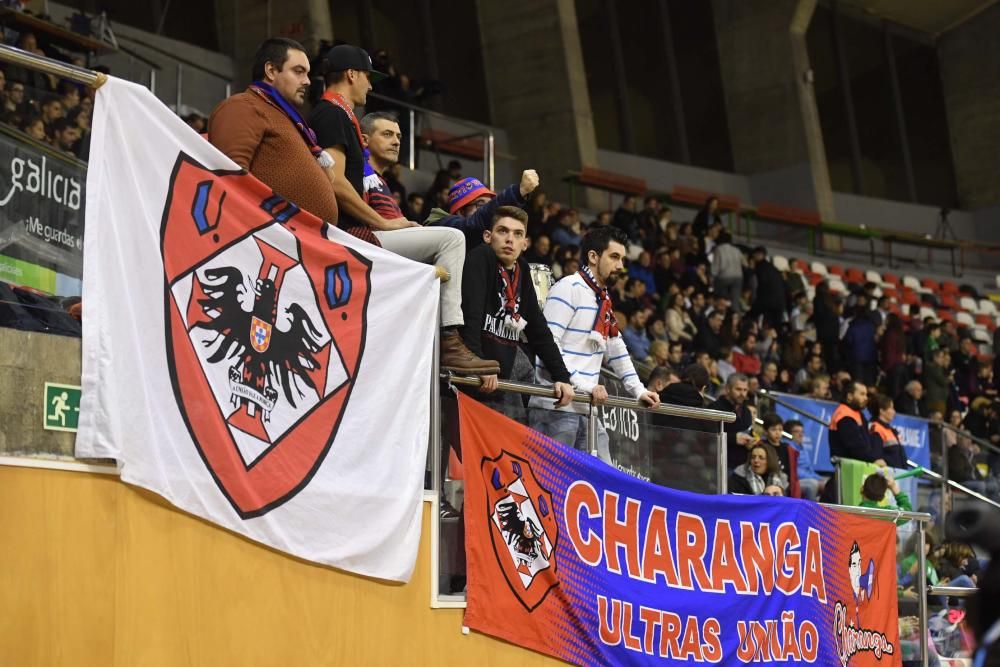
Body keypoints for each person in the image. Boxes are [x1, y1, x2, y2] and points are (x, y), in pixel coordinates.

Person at [211, 39, 496, 376]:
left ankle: (440, 346)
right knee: (450, 241)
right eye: (299, 71)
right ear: (271, 71)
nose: (307, 80)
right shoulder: (299, 111)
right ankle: (449, 342)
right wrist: (384, 223)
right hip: (315, 239)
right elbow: (227, 179)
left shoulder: (295, 119)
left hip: (314, 238)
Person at [530, 226, 660, 463]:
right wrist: (585, 386)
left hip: (587, 409)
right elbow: (548, 345)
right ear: (593, 256)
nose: (620, 266)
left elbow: (617, 350)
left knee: (601, 487)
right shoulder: (568, 288)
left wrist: (638, 390)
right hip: (555, 407)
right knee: (549, 489)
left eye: (622, 259)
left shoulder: (602, 299)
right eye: (614, 257)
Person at [459, 206, 574, 407]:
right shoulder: (481, 257)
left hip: (498, 384)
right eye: (502, 231)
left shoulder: (522, 269)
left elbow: (539, 330)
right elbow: (470, 318)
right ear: (488, 236)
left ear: (525, 243)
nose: (510, 239)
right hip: (471, 382)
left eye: (517, 234)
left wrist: (562, 377)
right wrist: (479, 365)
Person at [425, 173, 540, 249]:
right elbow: (473, 224)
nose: (488, 210)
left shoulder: (491, 239)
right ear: (460, 212)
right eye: (481, 204)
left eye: (489, 203)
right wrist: (518, 191)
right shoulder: (444, 226)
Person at [828, 381, 886, 467]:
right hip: (846, 466)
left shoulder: (857, 414)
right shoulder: (844, 415)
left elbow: (866, 444)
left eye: (866, 395)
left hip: (857, 465)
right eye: (862, 394)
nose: (866, 398)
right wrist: (873, 460)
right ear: (850, 396)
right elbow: (855, 446)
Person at [709, 373, 753, 470]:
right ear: (727, 389)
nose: (742, 394)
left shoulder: (747, 412)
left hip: (742, 467)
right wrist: (734, 438)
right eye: (738, 389)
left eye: (745, 390)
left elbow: (750, 432)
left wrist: (751, 442)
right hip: (719, 464)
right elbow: (707, 436)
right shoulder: (715, 408)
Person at [786, 419, 824, 501]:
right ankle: (810, 511)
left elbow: (809, 469)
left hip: (808, 477)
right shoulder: (788, 447)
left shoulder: (803, 448)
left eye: (802, 432)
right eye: (796, 431)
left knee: (828, 483)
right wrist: (816, 479)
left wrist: (819, 478)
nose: (801, 435)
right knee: (812, 484)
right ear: (789, 434)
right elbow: (795, 470)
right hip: (795, 480)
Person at [868, 394, 908, 469]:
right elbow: (877, 456)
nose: (894, 412)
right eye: (891, 408)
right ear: (882, 411)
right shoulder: (875, 428)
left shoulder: (891, 430)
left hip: (899, 473)